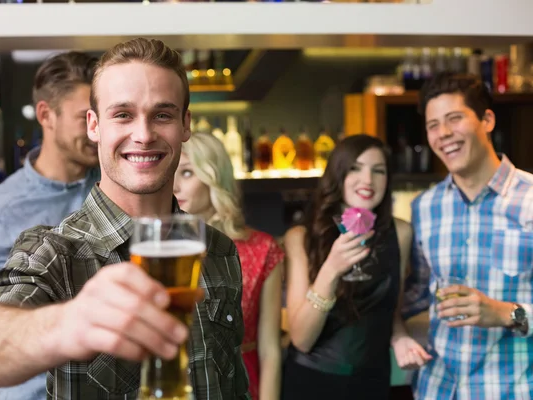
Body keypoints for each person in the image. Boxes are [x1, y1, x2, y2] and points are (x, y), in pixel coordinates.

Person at [0, 38, 250, 400]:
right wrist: (68, 324)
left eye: (162, 114)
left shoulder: (219, 250)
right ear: (94, 126)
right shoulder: (55, 251)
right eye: (122, 114)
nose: (143, 135)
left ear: (185, 125)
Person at [0, 51, 99, 400]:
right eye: (83, 117)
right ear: (45, 115)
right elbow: (1, 328)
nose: (96, 129)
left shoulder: (119, 187)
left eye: (100, 115)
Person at [403, 71, 533, 399]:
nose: (444, 133)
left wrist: (505, 313)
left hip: (512, 389)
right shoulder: (424, 207)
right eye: (433, 125)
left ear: (487, 119)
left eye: (455, 118)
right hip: (438, 388)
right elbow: (413, 297)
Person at [282, 134, 430, 400]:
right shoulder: (302, 238)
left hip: (372, 382)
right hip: (311, 384)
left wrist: (400, 337)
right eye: (355, 168)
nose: (368, 180)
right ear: (338, 175)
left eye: (378, 171)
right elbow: (301, 339)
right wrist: (331, 269)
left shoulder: (401, 233)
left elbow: (390, 310)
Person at [174, 132, 284, 400]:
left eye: (187, 173)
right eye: (171, 172)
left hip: (239, 383)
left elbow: (270, 350)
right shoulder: (157, 249)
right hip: (175, 382)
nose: (174, 185)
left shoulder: (263, 248)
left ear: (215, 177)